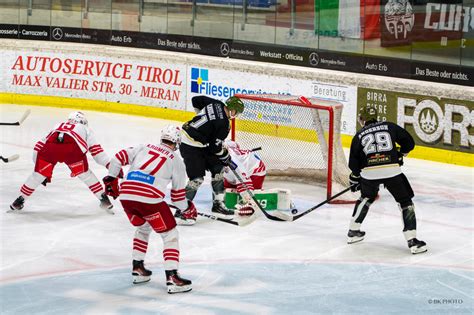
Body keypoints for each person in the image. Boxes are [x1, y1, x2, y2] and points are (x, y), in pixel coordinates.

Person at [103, 125, 193, 294]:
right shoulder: (177, 161)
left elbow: (117, 159)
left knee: (143, 227)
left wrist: (111, 178)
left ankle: (138, 268)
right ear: (177, 141)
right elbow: (178, 198)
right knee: (170, 235)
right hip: (150, 200)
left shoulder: (143, 147)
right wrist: (188, 208)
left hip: (126, 196)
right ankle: (172, 277)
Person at [347, 106, 427, 254]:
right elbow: (409, 143)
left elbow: (353, 163)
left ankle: (353, 231)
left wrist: (355, 177)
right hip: (392, 171)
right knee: (405, 202)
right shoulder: (390, 126)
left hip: (369, 174)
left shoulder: (359, 135)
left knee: (365, 198)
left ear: (362, 119)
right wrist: (401, 153)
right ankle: (413, 241)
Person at [9, 111, 114, 214]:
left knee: (36, 176)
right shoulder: (86, 129)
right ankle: (103, 199)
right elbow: (96, 151)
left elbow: (39, 146)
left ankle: (19, 200)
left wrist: (40, 169)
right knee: (86, 175)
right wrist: (109, 165)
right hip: (72, 149)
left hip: (51, 147)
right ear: (83, 121)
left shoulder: (58, 125)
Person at [175, 95, 245, 224]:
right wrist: (226, 157)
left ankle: (218, 204)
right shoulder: (224, 124)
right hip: (189, 145)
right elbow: (215, 147)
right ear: (232, 110)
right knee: (197, 179)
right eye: (237, 112)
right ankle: (182, 210)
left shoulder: (216, 103)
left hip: (201, 142)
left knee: (218, 168)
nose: (236, 115)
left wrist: (202, 122)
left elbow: (195, 99)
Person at [223, 140, 266, 215]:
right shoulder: (221, 144)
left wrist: (249, 200)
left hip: (255, 169)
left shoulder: (231, 161)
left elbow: (242, 177)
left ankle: (252, 199)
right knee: (226, 191)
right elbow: (235, 144)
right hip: (238, 166)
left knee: (248, 193)